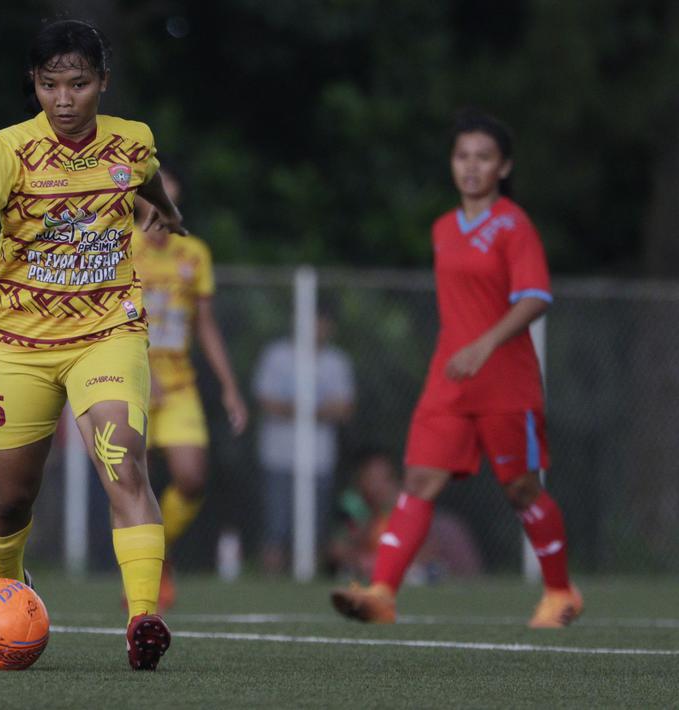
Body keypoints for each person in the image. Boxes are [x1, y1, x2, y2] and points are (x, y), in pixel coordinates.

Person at [0, 19, 184, 671]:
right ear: (35, 85)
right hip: (20, 346)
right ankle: (9, 591)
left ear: (101, 83)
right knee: (10, 497)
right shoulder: (9, 149)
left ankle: (143, 619)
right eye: (51, 85)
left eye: (78, 83)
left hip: (108, 334)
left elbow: (146, 177)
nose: (65, 98)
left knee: (123, 461)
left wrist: (164, 208)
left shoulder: (131, 141)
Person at [331, 109, 581, 628]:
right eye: (462, 156)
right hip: (449, 380)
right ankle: (382, 593)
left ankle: (560, 593)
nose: (471, 167)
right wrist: (459, 353)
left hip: (506, 381)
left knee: (520, 489)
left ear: (504, 166)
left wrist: (484, 345)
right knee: (419, 480)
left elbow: (536, 297)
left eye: (484, 157)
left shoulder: (515, 225)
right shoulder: (444, 227)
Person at [132, 168, 248, 607]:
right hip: (129, 381)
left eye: (170, 203)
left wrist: (229, 387)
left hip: (179, 386)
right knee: (129, 483)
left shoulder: (194, 252)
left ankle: (159, 556)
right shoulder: (120, 247)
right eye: (155, 201)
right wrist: (143, 371)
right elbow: (108, 319)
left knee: (192, 479)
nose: (162, 211)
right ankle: (141, 578)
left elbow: (206, 325)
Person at [253, 303, 355, 574]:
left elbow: (344, 408)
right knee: (277, 526)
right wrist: (316, 409)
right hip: (279, 455)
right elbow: (267, 401)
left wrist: (297, 408)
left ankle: (310, 580)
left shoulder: (337, 362)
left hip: (320, 458)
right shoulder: (278, 355)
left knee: (316, 527)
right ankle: (272, 583)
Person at [328, 450, 482, 582]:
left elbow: (427, 551)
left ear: (393, 481)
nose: (375, 486)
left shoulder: (407, 506)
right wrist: (362, 559)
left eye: (381, 479)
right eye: (370, 479)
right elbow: (338, 548)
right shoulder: (357, 507)